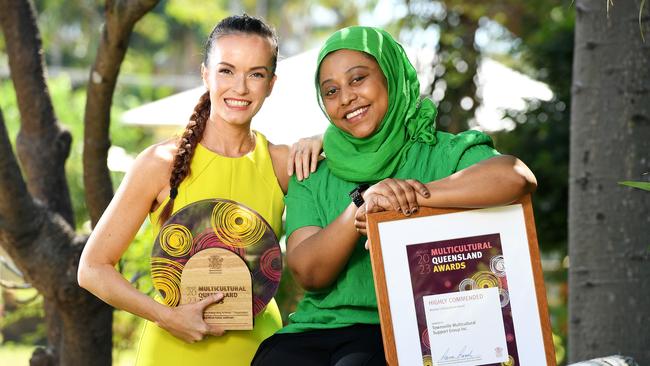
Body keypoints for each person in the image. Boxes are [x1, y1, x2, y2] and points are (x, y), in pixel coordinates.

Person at [251, 26, 537, 365]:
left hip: (416, 326)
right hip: (318, 329)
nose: (345, 98)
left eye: (358, 79)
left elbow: (515, 177)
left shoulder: (442, 152)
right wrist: (363, 206)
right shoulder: (312, 169)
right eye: (330, 91)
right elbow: (309, 273)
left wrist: (413, 197)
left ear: (390, 75)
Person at [77, 15, 321, 366]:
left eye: (255, 74)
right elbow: (92, 268)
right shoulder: (160, 162)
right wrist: (167, 316)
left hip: (262, 352)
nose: (240, 87)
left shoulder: (283, 164)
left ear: (271, 83)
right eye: (226, 70)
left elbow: (357, 165)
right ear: (205, 73)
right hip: (174, 352)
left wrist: (322, 139)